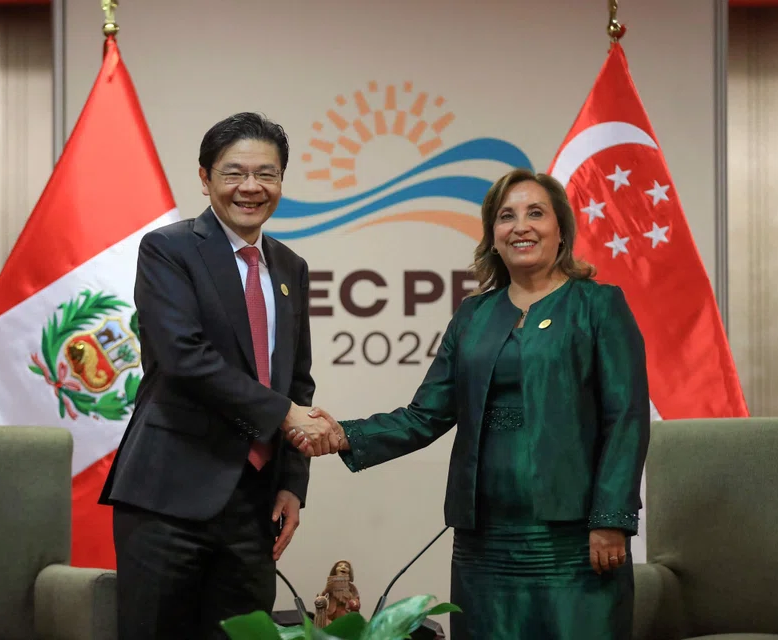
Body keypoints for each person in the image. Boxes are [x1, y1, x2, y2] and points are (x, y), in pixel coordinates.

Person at [303, 168, 650, 639]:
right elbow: (427, 414)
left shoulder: (598, 305)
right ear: (492, 234)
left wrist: (611, 519)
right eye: (506, 216)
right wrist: (346, 434)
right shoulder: (474, 315)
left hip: (572, 541)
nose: (520, 226)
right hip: (484, 542)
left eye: (535, 213)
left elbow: (625, 418)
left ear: (562, 229)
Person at [99, 112, 336, 640]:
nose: (250, 187)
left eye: (266, 174)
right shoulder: (170, 249)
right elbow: (185, 358)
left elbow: (297, 380)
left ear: (280, 182)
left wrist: (294, 483)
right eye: (233, 173)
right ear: (204, 179)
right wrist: (286, 414)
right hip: (169, 497)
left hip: (255, 506)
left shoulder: (290, 266)